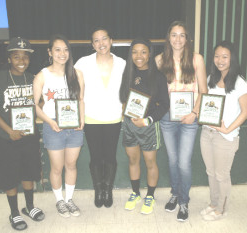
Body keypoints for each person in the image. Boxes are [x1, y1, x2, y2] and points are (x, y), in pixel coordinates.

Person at [0, 37, 45, 231]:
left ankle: (29, 207)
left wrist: (48, 103)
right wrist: (9, 131)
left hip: (29, 136)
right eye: (16, 56)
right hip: (7, 138)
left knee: (28, 172)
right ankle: (14, 212)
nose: (21, 60)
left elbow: (39, 105)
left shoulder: (33, 79)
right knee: (9, 176)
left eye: (25, 56)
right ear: (9, 59)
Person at [155, 21, 207, 221]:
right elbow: (157, 92)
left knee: (184, 163)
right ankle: (175, 193)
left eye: (182, 35)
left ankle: (184, 202)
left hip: (189, 118)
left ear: (187, 38)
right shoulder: (160, 60)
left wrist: (194, 112)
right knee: (172, 160)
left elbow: (203, 91)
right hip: (168, 118)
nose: (178, 39)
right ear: (168, 38)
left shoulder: (196, 59)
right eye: (174, 35)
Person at [33, 34, 84, 218]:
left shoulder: (77, 73)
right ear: (50, 52)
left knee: (71, 165)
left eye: (66, 49)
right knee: (57, 167)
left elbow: (80, 100)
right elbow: (34, 105)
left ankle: (69, 199)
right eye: (57, 49)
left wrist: (82, 120)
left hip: (75, 128)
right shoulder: (42, 75)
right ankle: (59, 201)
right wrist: (50, 121)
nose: (62, 53)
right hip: (53, 128)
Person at [74, 27, 126, 208]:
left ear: (111, 41)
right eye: (96, 40)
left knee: (110, 156)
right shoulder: (83, 63)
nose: (101, 43)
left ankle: (108, 189)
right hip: (91, 117)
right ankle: (98, 190)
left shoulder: (122, 63)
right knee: (96, 156)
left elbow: (128, 91)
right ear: (92, 44)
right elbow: (73, 88)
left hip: (113, 117)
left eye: (104, 39)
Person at [200, 41, 247, 221]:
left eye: (224, 56)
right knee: (211, 172)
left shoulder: (240, 83)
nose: (220, 60)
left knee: (222, 174)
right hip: (207, 133)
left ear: (232, 58)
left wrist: (227, 128)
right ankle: (214, 203)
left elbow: (245, 111)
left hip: (226, 137)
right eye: (216, 56)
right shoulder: (210, 79)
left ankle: (222, 209)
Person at [119, 38, 169, 214]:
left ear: (149, 54)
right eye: (134, 52)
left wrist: (146, 120)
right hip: (130, 124)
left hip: (148, 125)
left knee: (150, 162)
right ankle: (135, 193)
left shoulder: (158, 77)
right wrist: (126, 108)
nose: (138, 56)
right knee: (133, 160)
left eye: (143, 52)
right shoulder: (128, 73)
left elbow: (164, 105)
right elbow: (123, 96)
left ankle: (150, 196)